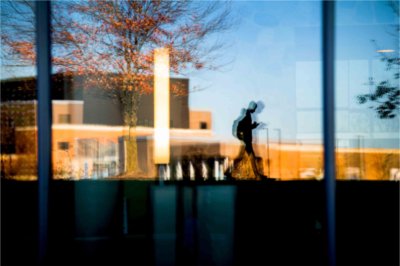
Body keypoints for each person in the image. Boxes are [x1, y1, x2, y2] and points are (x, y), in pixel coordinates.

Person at [235, 101, 269, 180]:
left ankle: (257, 175)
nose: (255, 110)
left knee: (245, 157)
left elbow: (246, 127)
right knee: (251, 158)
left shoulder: (246, 114)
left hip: (245, 139)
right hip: (246, 140)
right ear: (253, 107)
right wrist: (253, 126)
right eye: (255, 108)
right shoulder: (247, 114)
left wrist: (253, 126)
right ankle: (257, 175)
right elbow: (246, 127)